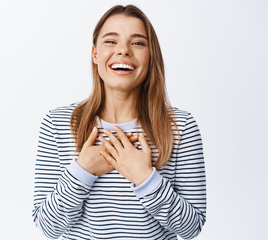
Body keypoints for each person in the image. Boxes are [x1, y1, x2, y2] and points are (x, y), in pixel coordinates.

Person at [32, 4, 206, 240]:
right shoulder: (58, 123)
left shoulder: (180, 127)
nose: (123, 50)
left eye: (137, 43)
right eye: (111, 41)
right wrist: (82, 171)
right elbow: (48, 226)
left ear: (151, 55)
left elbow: (191, 228)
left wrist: (145, 178)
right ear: (95, 54)